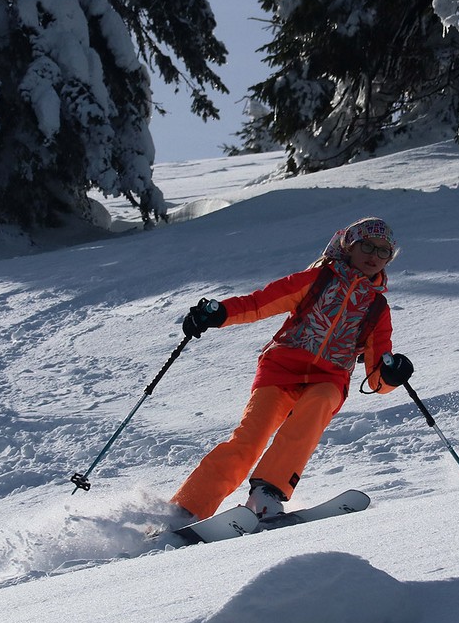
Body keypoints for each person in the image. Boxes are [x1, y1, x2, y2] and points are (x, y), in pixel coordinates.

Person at [170, 216, 415, 522]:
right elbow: (260, 303)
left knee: (321, 402)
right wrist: (219, 313)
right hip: (281, 369)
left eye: (383, 252)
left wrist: (391, 375)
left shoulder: (377, 308)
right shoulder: (317, 280)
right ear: (349, 246)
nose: (373, 256)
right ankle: (187, 509)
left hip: (329, 377)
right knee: (249, 439)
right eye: (367, 245)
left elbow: (378, 376)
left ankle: (268, 493)